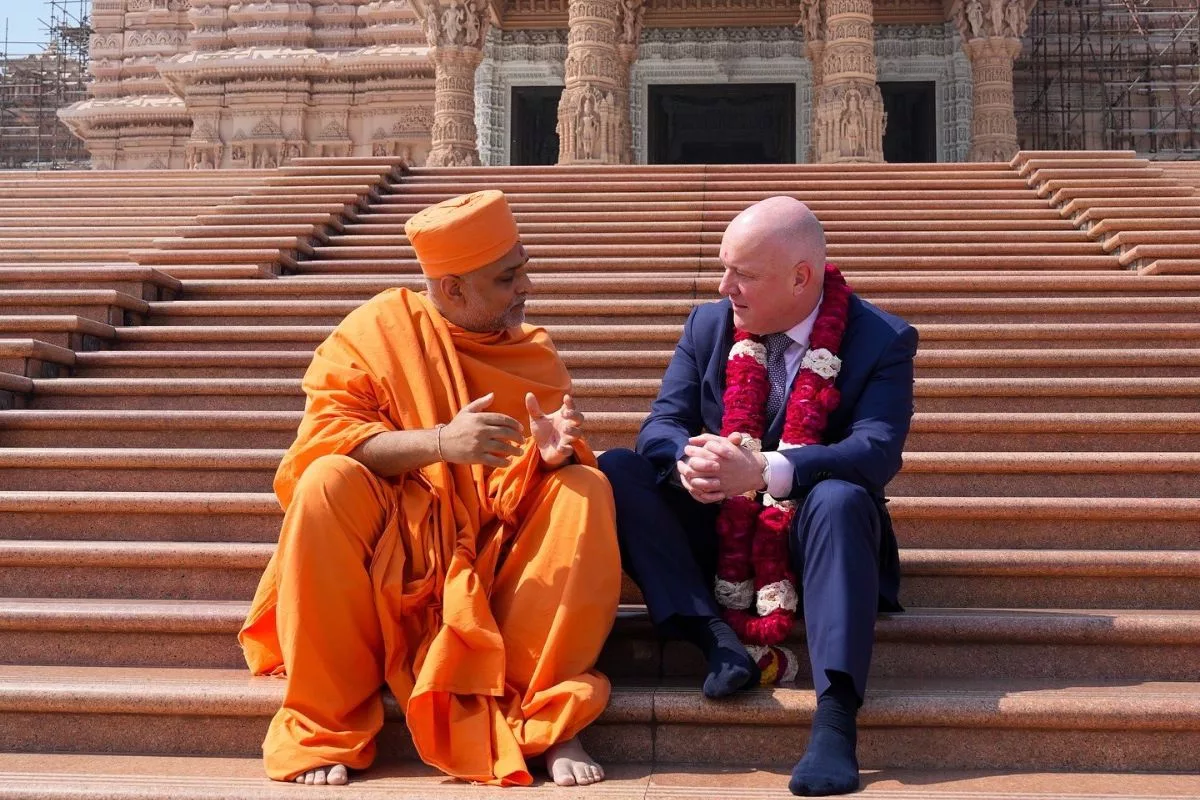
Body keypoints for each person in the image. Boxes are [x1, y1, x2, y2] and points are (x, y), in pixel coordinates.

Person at [240, 190, 621, 788]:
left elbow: (507, 496)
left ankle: (544, 713)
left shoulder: (533, 352)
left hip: (488, 551)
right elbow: (323, 442)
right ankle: (326, 724)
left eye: (524, 269)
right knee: (325, 482)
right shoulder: (373, 333)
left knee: (584, 489)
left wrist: (544, 460)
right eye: (506, 279)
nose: (525, 289)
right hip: (398, 542)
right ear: (452, 291)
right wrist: (441, 443)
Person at [598, 196, 917, 797]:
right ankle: (716, 643)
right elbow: (661, 424)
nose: (726, 287)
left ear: (801, 277)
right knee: (618, 469)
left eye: (743, 274)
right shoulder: (709, 325)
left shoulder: (882, 339)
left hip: (815, 537)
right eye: (724, 269)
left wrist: (766, 469)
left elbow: (875, 451)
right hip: (719, 525)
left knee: (844, 498)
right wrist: (697, 459)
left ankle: (835, 720)